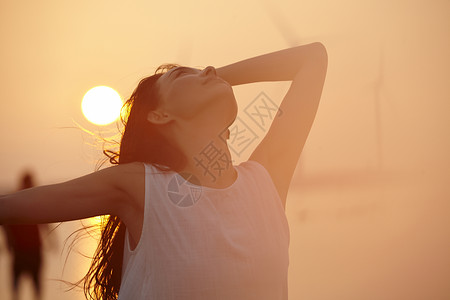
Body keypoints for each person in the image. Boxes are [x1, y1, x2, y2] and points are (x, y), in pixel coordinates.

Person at [0, 43, 328, 300]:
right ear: (158, 116)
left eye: (202, 70)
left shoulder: (264, 181)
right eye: (183, 75)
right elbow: (10, 207)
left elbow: (313, 57)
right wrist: (211, 80)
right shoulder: (142, 187)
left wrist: (213, 76)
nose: (207, 70)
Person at [3, 172, 43, 300]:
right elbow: (5, 223)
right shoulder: (18, 198)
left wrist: (52, 239)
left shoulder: (28, 198)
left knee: (34, 282)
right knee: (19, 284)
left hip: (32, 248)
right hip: (21, 249)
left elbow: (45, 220)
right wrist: (8, 240)